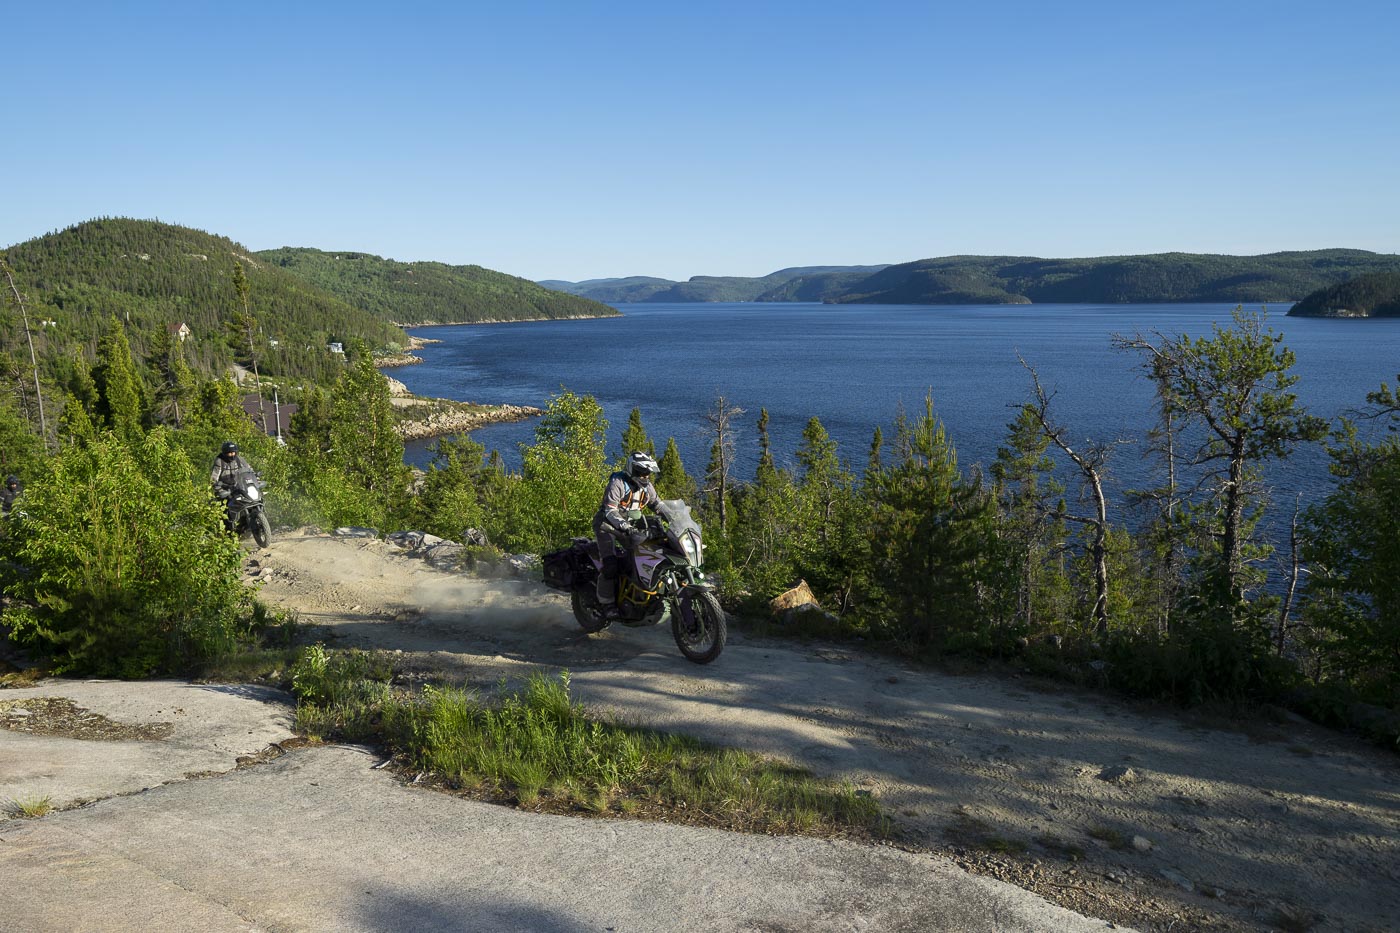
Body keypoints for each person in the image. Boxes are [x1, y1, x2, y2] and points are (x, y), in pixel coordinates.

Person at [593, 451, 661, 616]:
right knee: (610, 565)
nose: (645, 476)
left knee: (646, 558)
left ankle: (639, 595)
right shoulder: (618, 483)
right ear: (632, 469)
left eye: (647, 472)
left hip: (630, 527)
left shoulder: (647, 487)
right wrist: (625, 526)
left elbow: (658, 504)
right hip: (607, 526)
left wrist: (676, 516)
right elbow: (610, 511)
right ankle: (606, 605)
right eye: (641, 471)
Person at [210, 441, 253, 515]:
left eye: (233, 452)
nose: (232, 455)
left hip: (240, 486)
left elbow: (249, 470)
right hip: (226, 488)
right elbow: (214, 478)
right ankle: (227, 523)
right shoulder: (219, 461)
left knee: (252, 498)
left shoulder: (239, 459)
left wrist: (255, 478)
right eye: (229, 453)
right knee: (223, 509)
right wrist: (218, 487)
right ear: (224, 453)